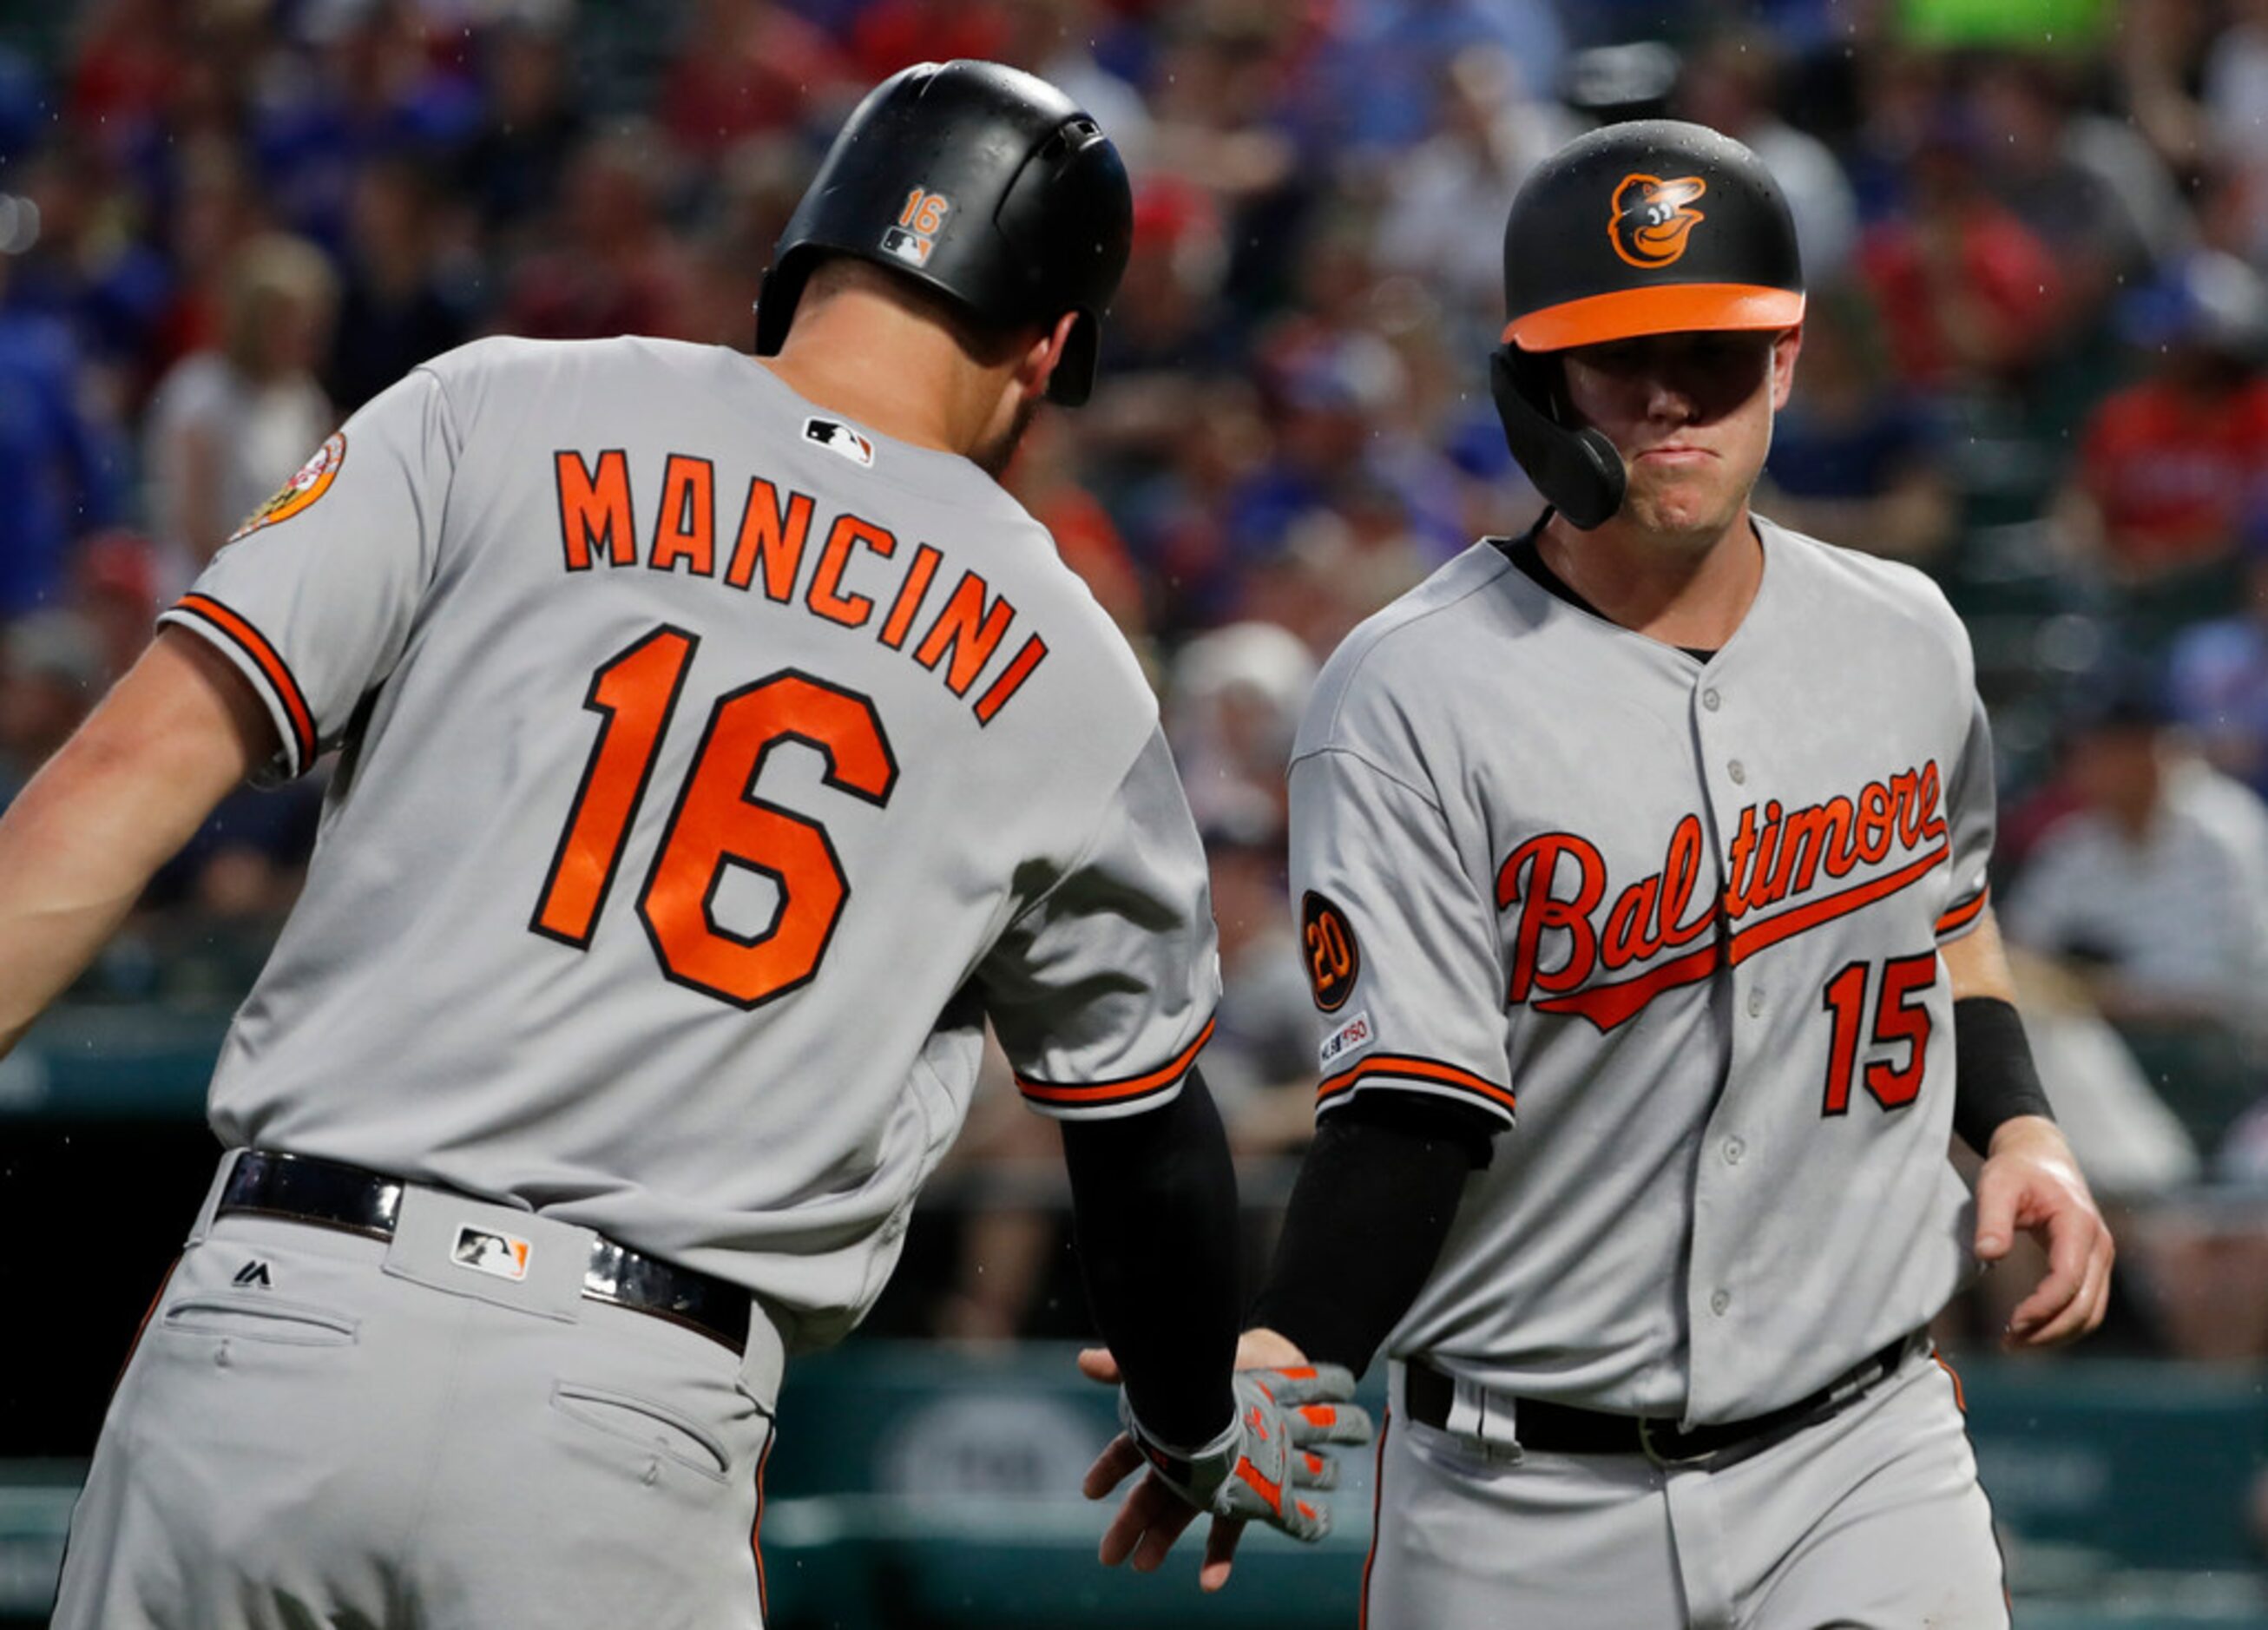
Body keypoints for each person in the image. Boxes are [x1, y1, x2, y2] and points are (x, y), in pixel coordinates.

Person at [29, 62, 1365, 1629]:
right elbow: (1142, 1134)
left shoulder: (496, 404)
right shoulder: (1068, 657)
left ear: (800, 258)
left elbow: (122, 772)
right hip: (623, 1406)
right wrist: (1191, 1417)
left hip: (278, 1318)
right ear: (1050, 345)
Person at [1089, 121, 2114, 1623]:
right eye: (1618, 353)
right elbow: (1409, 1105)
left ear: (1784, 359)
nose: (1665, 396)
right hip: (1518, 1505)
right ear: (1534, 380)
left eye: (1711, 351)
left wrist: (2020, 1124)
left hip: (1861, 1459)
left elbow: (1944, 910)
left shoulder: (1905, 638)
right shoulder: (1409, 692)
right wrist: (1292, 1347)